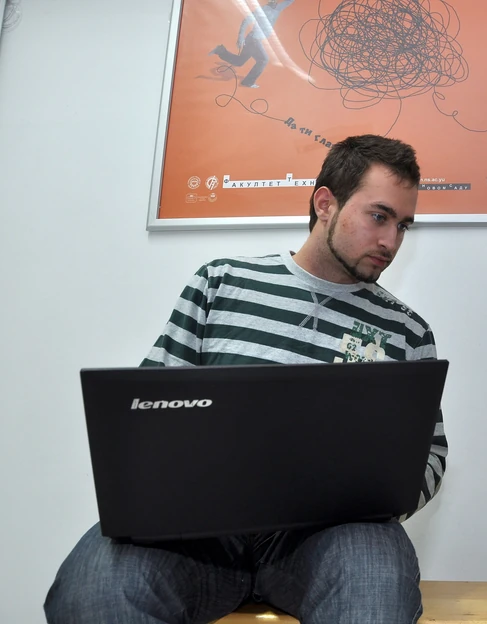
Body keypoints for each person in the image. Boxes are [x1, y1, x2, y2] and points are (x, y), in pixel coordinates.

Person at [44, 134, 447, 624]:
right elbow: (147, 416)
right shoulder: (221, 283)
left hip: (330, 540)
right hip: (198, 536)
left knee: (374, 581)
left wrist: (371, 499)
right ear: (325, 204)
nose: (391, 242)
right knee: (96, 585)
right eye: (379, 216)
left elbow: (430, 456)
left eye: (403, 226)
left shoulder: (407, 332)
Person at [210, 0, 295, 88]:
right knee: (263, 60)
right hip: (253, 40)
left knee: (239, 62)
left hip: (253, 39)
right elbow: (246, 21)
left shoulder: (278, 8)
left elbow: (288, 2)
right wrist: (240, 37)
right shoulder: (261, 10)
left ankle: (220, 50)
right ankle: (248, 82)